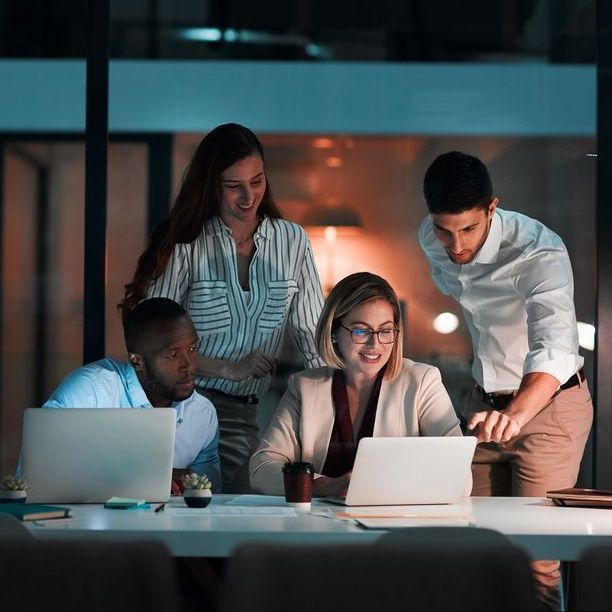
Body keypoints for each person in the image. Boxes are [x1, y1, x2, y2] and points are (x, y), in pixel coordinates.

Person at [418, 151, 593, 609]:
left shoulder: (540, 250)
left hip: (550, 409)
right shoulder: (430, 238)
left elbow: (554, 347)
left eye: (469, 229)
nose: (455, 245)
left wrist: (514, 413)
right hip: (483, 405)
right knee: (475, 546)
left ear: (493, 208)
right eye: (444, 229)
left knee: (536, 558)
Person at [119, 123, 324, 493]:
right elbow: (152, 341)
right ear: (211, 185)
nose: (248, 198)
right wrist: (228, 368)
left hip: (243, 414)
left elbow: (313, 337)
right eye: (234, 187)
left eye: (257, 182)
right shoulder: (185, 242)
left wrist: (338, 404)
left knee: (240, 513)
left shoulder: (292, 240)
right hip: (181, 406)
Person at [250, 272, 464, 496]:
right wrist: (325, 486)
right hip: (321, 525)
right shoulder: (305, 386)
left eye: (385, 331)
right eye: (361, 331)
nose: (375, 344)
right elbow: (261, 468)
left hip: (395, 522)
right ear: (333, 331)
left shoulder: (422, 382)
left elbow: (459, 476)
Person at [44, 297, 221, 494]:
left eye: (192, 348)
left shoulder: (202, 414)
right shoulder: (91, 390)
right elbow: (39, 471)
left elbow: (208, 492)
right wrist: (147, 479)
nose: (188, 365)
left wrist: (185, 484)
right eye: (173, 355)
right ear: (137, 361)